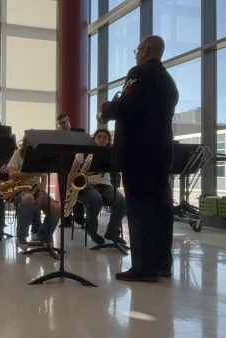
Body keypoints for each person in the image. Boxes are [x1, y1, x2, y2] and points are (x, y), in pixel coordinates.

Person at [98, 35, 178, 282]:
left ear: (145, 50)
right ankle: (163, 263)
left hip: (138, 153)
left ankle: (143, 267)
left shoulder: (140, 72)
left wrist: (107, 108)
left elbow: (127, 107)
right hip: (160, 152)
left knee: (139, 209)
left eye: (137, 49)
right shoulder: (169, 81)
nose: (136, 53)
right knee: (161, 208)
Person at [67, 128, 127, 245]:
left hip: (105, 184)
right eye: (99, 137)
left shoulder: (110, 154)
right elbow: (72, 172)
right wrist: (68, 191)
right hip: (87, 184)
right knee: (95, 199)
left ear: (108, 141)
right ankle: (92, 230)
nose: (101, 139)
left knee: (121, 202)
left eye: (105, 138)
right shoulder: (83, 152)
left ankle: (112, 232)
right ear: (94, 139)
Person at [7, 135, 61, 250]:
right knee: (28, 198)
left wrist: (41, 193)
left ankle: (44, 236)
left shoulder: (41, 156)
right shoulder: (18, 153)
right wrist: (30, 173)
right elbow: (11, 174)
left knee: (57, 208)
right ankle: (21, 236)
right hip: (20, 189)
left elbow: (44, 177)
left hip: (36, 189)